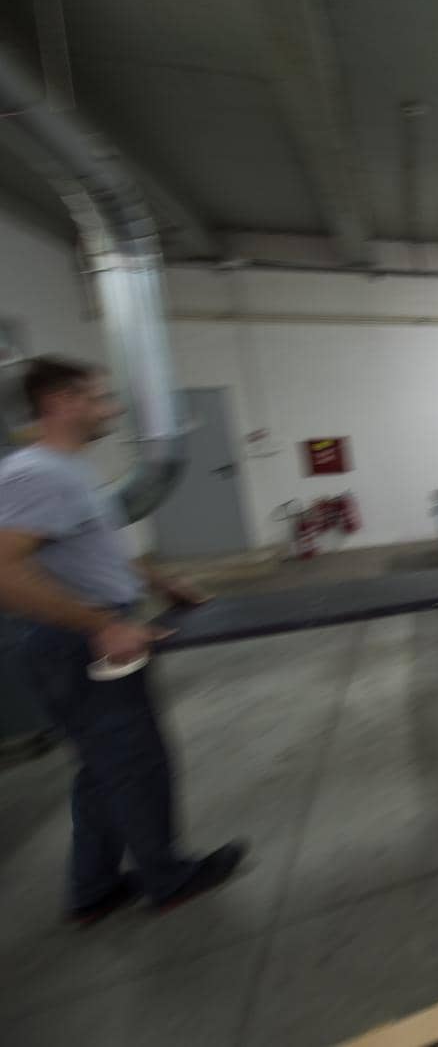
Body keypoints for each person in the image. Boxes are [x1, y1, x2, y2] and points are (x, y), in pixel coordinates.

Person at [0, 356, 246, 924]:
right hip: (75, 643)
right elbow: (7, 572)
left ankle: (95, 888)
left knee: (102, 767)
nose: (109, 408)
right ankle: (169, 879)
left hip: (85, 632)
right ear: (62, 403)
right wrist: (101, 625)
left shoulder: (73, 469)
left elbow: (102, 546)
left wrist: (162, 581)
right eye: (99, 398)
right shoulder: (36, 473)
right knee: (134, 762)